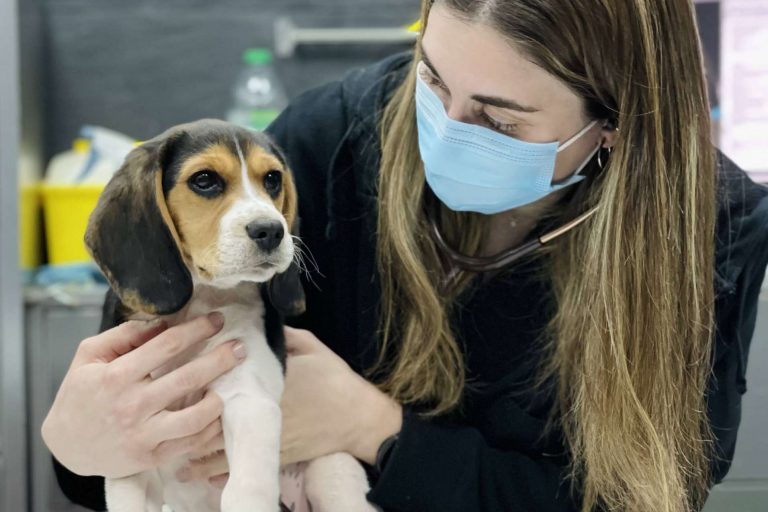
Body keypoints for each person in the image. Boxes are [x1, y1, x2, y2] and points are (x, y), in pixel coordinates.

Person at [43, 1, 768, 511]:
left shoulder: (713, 229)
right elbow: (128, 432)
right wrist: (79, 448)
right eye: (432, 78)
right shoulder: (327, 140)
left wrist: (374, 431)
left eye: (496, 118)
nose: (444, 130)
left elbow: (636, 503)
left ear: (613, 125)